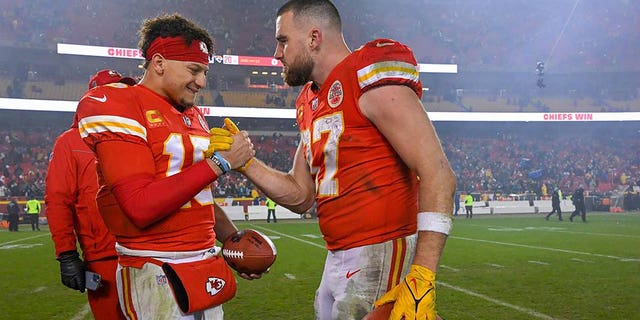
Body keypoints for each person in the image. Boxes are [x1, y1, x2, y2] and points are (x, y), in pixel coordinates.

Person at [214, 1, 456, 319]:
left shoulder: (366, 73)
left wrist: (423, 275)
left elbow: (438, 172)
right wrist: (245, 163)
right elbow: (301, 195)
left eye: (283, 40)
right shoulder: (308, 100)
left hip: (380, 248)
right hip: (337, 255)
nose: (276, 53)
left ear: (314, 38)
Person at [75, 13, 256, 319]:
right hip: (154, 265)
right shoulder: (121, 104)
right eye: (194, 69)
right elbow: (140, 207)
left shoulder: (194, 114)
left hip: (204, 263)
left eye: (205, 72)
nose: (202, 81)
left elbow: (198, 198)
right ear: (158, 63)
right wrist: (220, 163)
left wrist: (234, 241)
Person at [44, 69, 137, 320]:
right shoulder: (70, 142)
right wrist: (66, 254)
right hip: (104, 259)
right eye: (115, 92)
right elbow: (57, 200)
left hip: (146, 254)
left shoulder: (138, 135)